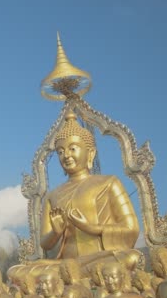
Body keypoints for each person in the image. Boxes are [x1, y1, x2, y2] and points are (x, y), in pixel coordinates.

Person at [8, 111, 142, 282]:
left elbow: (131, 229)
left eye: (73, 148)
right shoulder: (53, 195)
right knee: (16, 271)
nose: (67, 155)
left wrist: (91, 228)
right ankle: (73, 273)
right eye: (61, 151)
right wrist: (56, 232)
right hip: (65, 265)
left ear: (90, 153)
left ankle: (74, 274)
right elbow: (45, 243)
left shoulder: (109, 183)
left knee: (130, 257)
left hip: (100, 258)